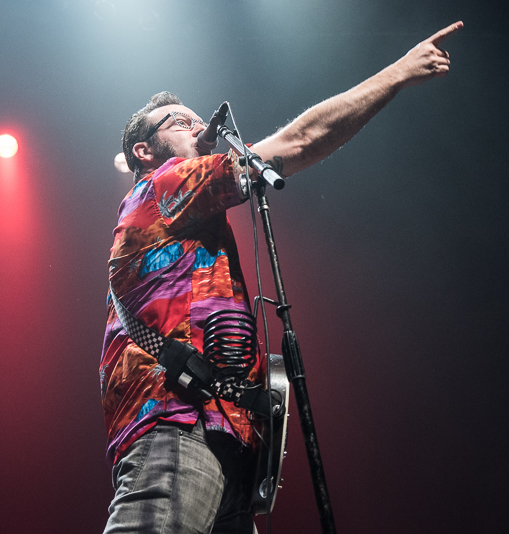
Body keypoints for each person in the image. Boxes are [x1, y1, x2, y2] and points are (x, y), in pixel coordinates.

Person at [100, 21, 463, 533]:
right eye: (181, 122)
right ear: (145, 151)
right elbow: (300, 140)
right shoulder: (163, 186)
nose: (199, 129)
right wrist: (397, 74)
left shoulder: (188, 210)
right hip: (178, 424)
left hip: (224, 434)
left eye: (200, 121)